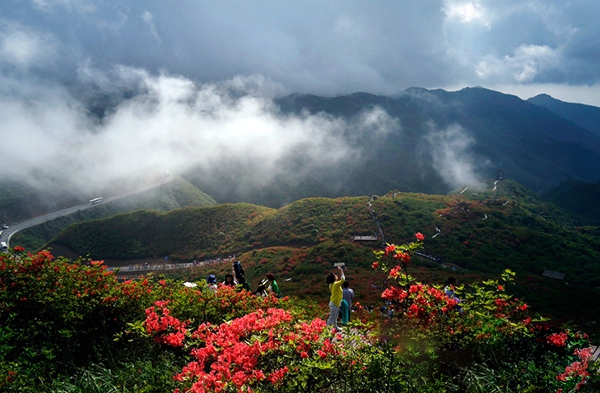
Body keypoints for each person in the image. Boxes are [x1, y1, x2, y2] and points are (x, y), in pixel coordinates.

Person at [326, 266, 345, 331]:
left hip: (334, 302)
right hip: (334, 303)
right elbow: (343, 280)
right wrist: (341, 271)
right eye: (335, 275)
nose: (336, 275)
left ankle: (335, 327)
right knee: (332, 317)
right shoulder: (335, 284)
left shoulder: (331, 285)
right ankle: (327, 329)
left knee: (335, 316)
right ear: (333, 278)